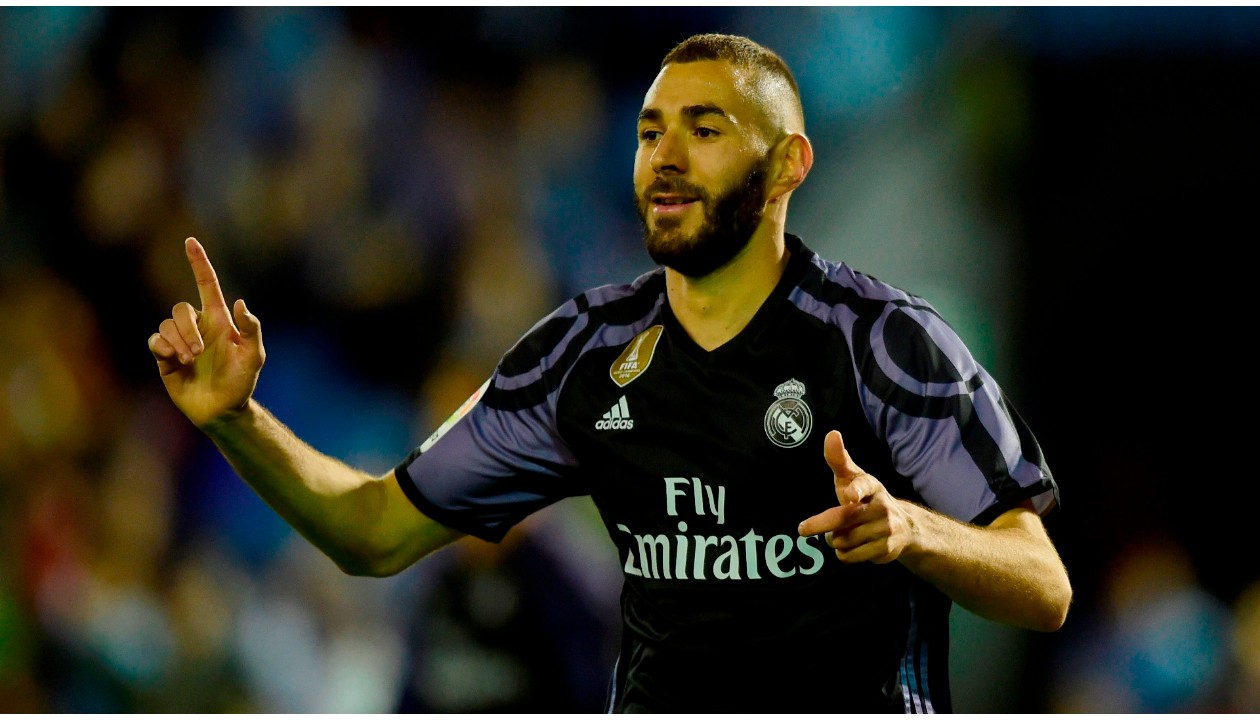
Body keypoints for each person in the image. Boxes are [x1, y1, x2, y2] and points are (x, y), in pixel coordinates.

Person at [147, 33, 1071, 713]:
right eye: (649, 131)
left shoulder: (885, 343)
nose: (663, 157)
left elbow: (1043, 584)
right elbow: (373, 532)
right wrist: (236, 419)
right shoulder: (583, 355)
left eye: (703, 129)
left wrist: (913, 530)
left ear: (788, 164)